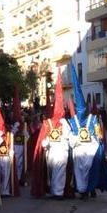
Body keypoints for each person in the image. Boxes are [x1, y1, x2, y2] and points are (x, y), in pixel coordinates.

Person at [67, 65, 107, 200]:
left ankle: (88, 189)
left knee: (90, 171)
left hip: (89, 150)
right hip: (80, 151)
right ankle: (84, 189)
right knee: (82, 172)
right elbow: (71, 135)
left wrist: (99, 145)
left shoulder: (91, 119)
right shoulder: (74, 120)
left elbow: (99, 134)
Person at [32, 71, 73, 199]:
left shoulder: (48, 123)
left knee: (55, 172)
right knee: (58, 172)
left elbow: (43, 142)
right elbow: (68, 137)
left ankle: (57, 192)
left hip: (53, 152)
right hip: (58, 152)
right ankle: (57, 192)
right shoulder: (63, 123)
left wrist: (47, 142)